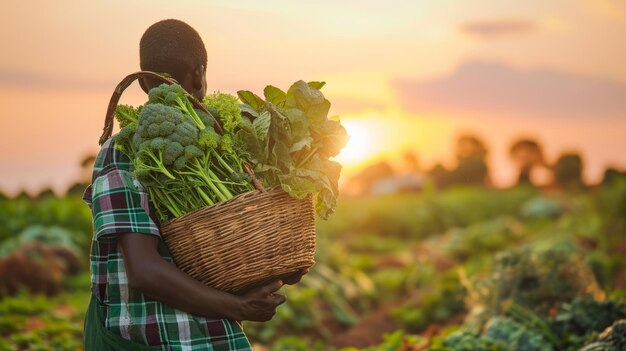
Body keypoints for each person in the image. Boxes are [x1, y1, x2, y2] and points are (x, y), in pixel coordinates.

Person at [83, 19, 305, 350]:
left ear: (144, 82)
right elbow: (144, 271)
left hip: (206, 339)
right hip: (158, 340)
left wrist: (282, 263)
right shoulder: (126, 149)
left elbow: (240, 249)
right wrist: (240, 307)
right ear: (199, 74)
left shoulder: (218, 145)